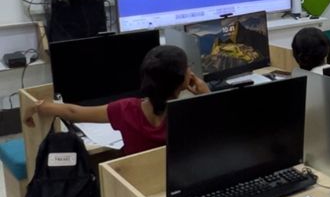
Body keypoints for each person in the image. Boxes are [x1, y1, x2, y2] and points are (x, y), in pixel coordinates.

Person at [25, 44, 209, 156]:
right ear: (182, 81)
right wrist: (205, 94)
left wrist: (41, 106)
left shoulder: (125, 109)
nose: (190, 71)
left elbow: (75, 112)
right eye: (188, 68)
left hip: (133, 186)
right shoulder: (189, 112)